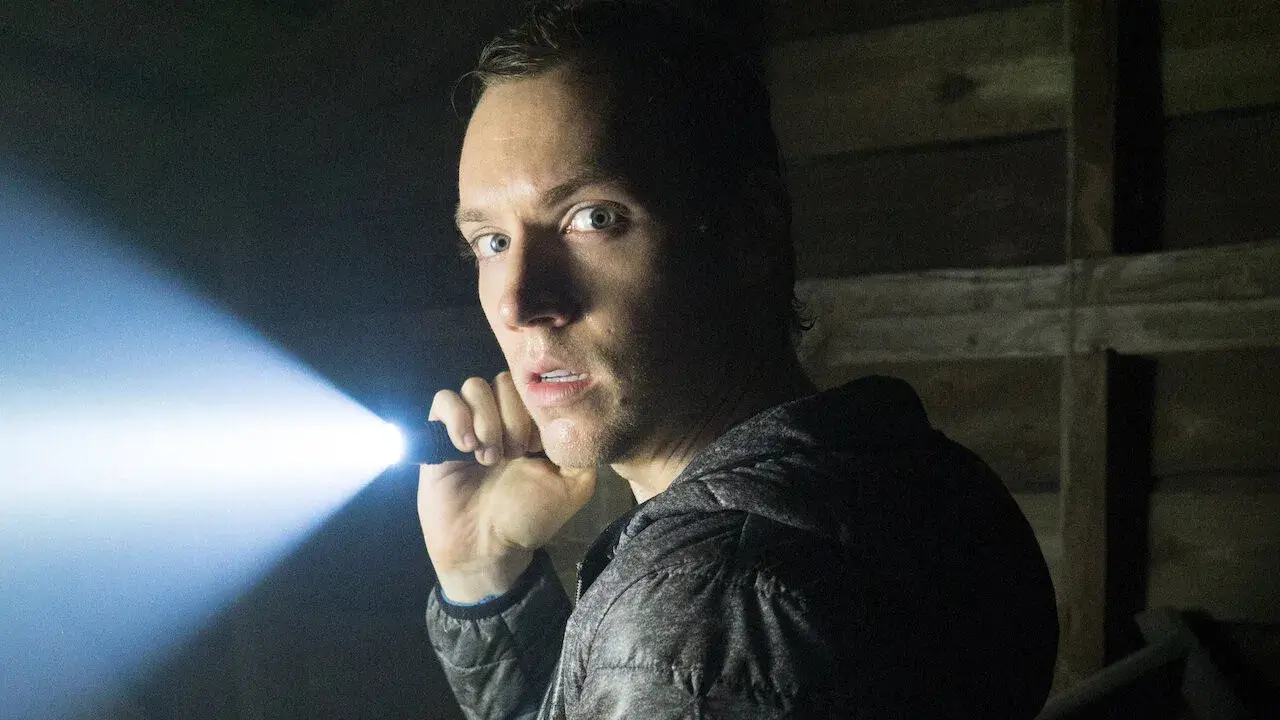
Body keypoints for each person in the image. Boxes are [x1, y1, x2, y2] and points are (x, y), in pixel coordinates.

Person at [418, 1, 1058, 717]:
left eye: (594, 218)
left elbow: (690, 667)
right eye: (492, 242)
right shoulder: (914, 477)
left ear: (750, 232)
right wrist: (481, 576)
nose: (518, 302)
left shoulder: (713, 606)